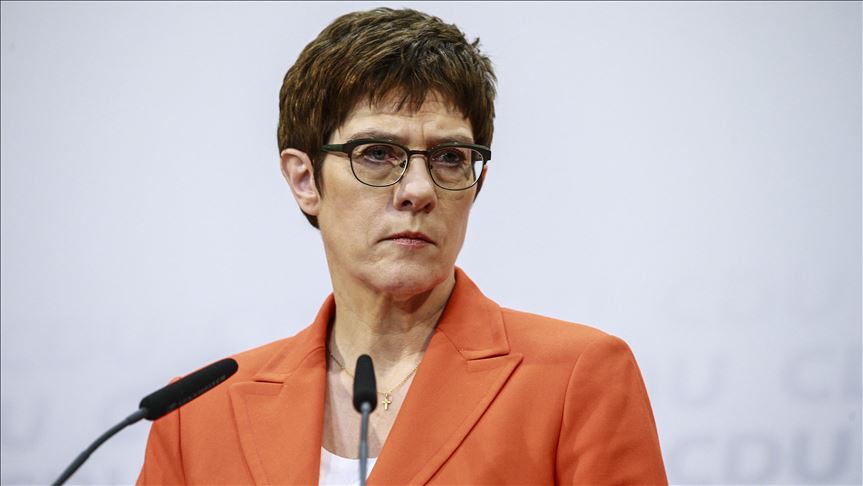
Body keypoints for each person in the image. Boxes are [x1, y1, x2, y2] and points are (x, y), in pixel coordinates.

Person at [137, 7, 667, 485]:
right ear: (304, 179)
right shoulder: (196, 415)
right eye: (376, 153)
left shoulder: (575, 377)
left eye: (450, 158)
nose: (418, 190)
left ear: (476, 182)